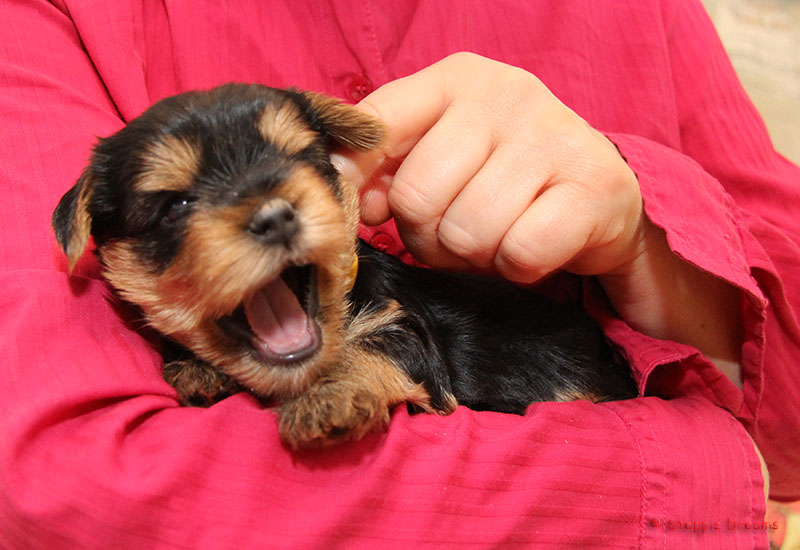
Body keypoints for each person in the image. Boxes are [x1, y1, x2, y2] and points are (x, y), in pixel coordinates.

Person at [1, 1, 796, 548]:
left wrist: (642, 238)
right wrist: (698, 475)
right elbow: (70, 483)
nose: (268, 213)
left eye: (298, 165)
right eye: (175, 205)